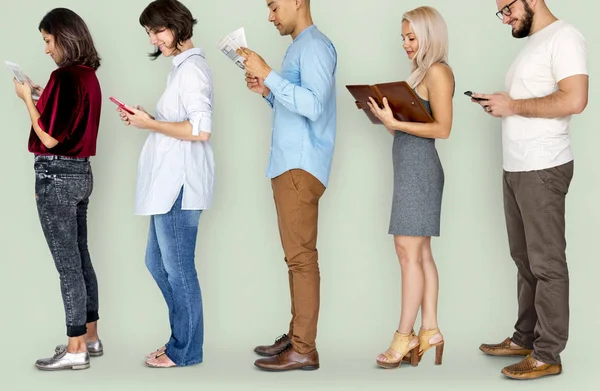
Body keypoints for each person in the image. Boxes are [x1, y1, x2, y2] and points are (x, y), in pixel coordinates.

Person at [472, 0, 588, 380]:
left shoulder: (565, 37)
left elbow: (575, 98)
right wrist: (503, 105)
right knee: (524, 261)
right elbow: (526, 103)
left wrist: (514, 105)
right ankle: (525, 337)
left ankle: (548, 353)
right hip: (517, 167)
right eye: (501, 13)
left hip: (543, 166)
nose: (505, 18)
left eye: (507, 9)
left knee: (547, 264)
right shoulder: (534, 43)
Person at [236, 0, 337, 372]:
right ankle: (297, 337)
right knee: (296, 259)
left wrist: (270, 74)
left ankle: (304, 348)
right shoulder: (300, 46)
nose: (270, 16)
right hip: (290, 163)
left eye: (275, 7)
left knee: (301, 259)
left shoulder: (314, 46)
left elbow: (313, 106)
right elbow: (297, 110)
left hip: (300, 165)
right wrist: (268, 91)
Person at [116, 0, 214, 368]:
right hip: (168, 184)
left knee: (178, 269)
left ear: (177, 25)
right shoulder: (180, 70)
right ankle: (180, 340)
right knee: (157, 263)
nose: (154, 39)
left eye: (158, 30)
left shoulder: (193, 71)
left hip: (180, 186)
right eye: (149, 33)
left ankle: (185, 350)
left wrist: (151, 125)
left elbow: (200, 130)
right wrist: (149, 118)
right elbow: (182, 122)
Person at [12, 8, 103, 371]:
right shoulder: (87, 76)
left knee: (67, 265)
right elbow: (70, 117)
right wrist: (42, 94)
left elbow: (49, 138)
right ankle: (91, 337)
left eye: (48, 41)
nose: (47, 50)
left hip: (56, 177)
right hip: (81, 174)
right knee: (80, 257)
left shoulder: (64, 78)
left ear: (64, 37)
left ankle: (75, 347)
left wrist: (27, 101)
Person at [367, 5, 454, 370]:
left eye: (411, 36)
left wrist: (397, 125)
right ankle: (430, 330)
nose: (405, 43)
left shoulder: (437, 71)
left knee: (407, 251)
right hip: (409, 167)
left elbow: (443, 129)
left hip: (420, 170)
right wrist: (386, 118)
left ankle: (404, 336)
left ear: (428, 36)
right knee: (420, 254)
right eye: (403, 37)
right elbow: (409, 127)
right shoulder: (420, 72)